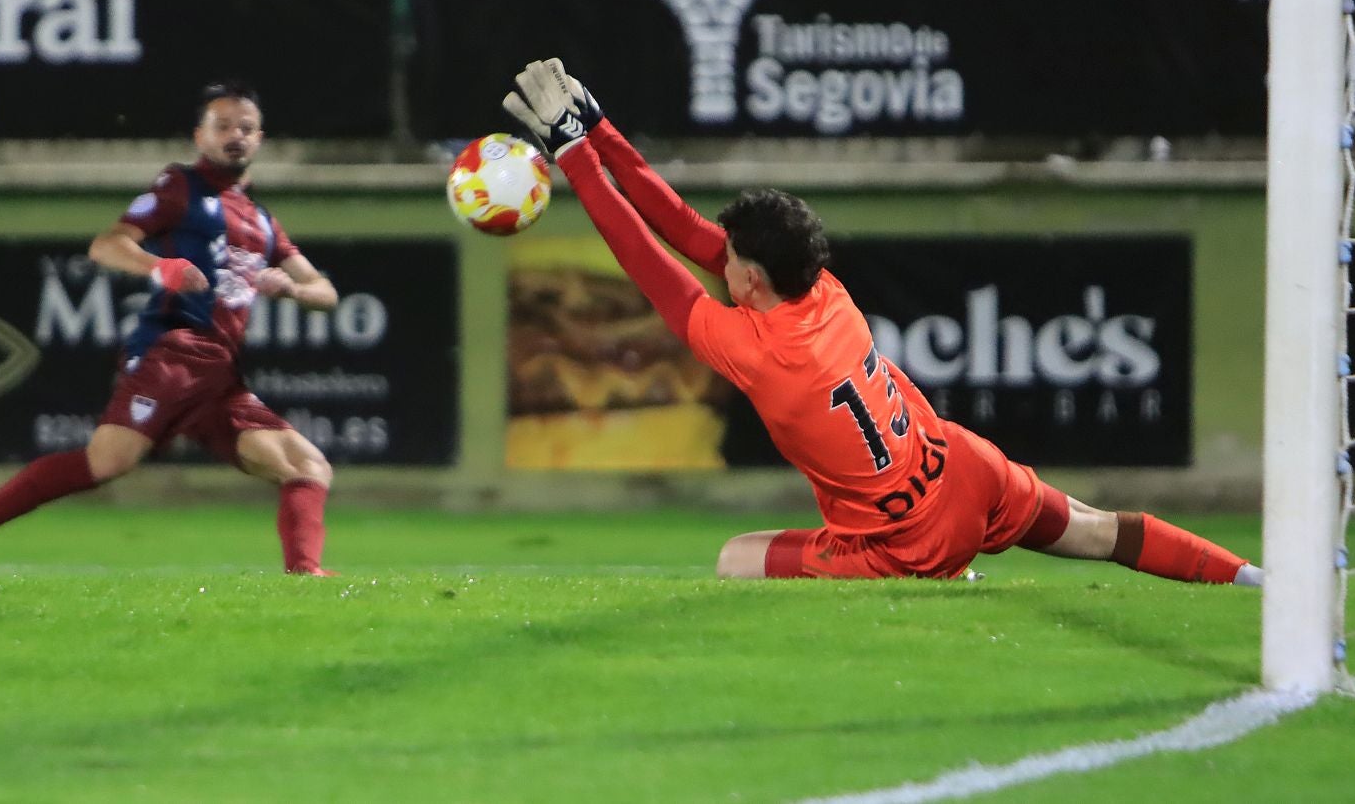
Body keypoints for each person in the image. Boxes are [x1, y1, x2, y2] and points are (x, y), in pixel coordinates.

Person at [499, 58, 1263, 587]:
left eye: (729, 259)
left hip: (900, 540)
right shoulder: (824, 292)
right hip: (966, 467)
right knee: (1096, 532)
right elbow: (683, 227)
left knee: (737, 557)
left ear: (752, 279)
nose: (715, 258)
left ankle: (943, 577)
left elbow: (643, 253)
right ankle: (1246, 577)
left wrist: (573, 156)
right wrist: (597, 129)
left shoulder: (754, 350)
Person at [0, 83, 341, 578]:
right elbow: (107, 245)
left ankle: (306, 578)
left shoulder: (263, 221)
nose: (235, 136)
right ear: (200, 135)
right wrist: (165, 268)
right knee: (107, 462)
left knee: (308, 468)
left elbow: (324, 291)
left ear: (260, 138)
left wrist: (294, 290)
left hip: (221, 375)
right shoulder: (179, 187)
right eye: (223, 126)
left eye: (245, 128)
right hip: (174, 352)